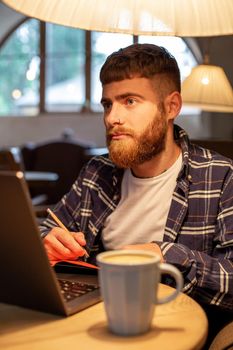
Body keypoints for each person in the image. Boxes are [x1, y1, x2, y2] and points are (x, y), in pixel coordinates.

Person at [40, 43, 233, 346]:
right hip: (98, 323)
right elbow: (49, 229)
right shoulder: (96, 172)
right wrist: (46, 242)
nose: (112, 118)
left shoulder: (221, 177)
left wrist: (166, 255)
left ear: (171, 107)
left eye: (129, 101)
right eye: (107, 104)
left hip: (180, 330)